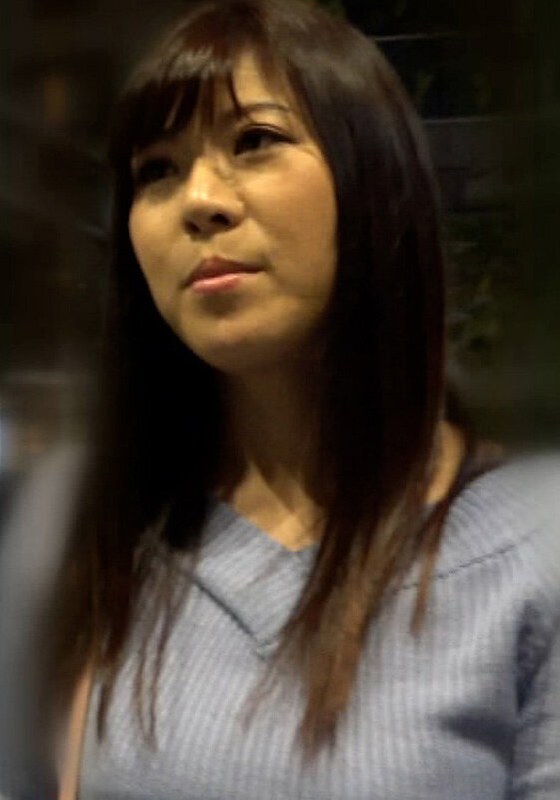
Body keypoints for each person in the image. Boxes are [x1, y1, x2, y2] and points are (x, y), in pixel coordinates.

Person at [0, 0, 559, 797]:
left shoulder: (529, 546)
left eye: (255, 141)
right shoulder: (88, 526)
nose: (200, 199)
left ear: (373, 174)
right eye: (157, 170)